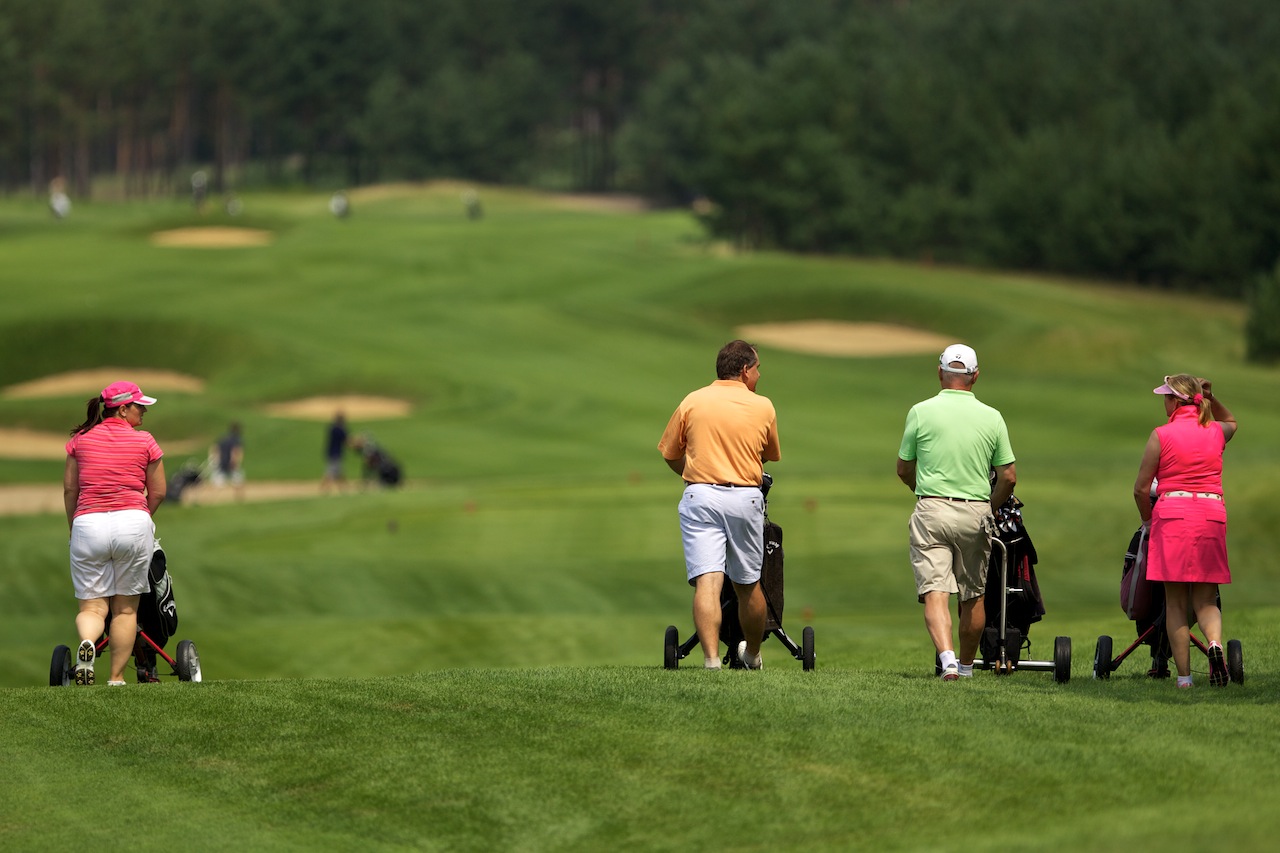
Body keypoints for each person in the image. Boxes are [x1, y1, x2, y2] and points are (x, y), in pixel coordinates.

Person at [658, 340, 781, 670]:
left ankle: (711, 661)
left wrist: (693, 474)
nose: (758, 375)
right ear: (744, 371)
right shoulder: (763, 406)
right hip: (744, 498)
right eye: (757, 369)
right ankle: (752, 655)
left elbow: (670, 453)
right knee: (747, 584)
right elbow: (767, 455)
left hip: (701, 496)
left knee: (707, 581)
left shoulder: (693, 400)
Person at [896, 344, 1017, 681]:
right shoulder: (992, 416)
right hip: (975, 512)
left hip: (931, 508)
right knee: (973, 594)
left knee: (936, 591)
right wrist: (989, 508)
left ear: (939, 372)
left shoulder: (920, 411)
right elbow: (1008, 476)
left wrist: (921, 493)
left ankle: (947, 659)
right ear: (975, 376)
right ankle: (965, 668)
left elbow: (904, 469)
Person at [1133, 374, 1238, 689]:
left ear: (1174, 401)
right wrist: (1211, 396)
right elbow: (1231, 420)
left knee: (1176, 603)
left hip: (1173, 517)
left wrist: (1149, 522)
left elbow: (1140, 489)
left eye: (1165, 397)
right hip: (1211, 514)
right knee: (1206, 599)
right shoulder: (1215, 431)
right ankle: (1215, 644)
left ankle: (1184, 679)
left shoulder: (1161, 434)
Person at [63, 381, 167, 686]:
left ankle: (88, 644)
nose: (144, 412)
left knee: (93, 607)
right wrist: (139, 517)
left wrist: (74, 527)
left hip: (88, 525)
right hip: (132, 523)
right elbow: (159, 492)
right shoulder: (145, 440)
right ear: (122, 409)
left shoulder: (80, 440)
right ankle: (117, 678)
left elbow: (71, 489)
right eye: (139, 406)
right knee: (124, 610)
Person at [210, 422, 244, 499]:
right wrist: (234, 460)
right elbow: (235, 450)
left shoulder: (223, 438)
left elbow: (215, 448)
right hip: (231, 463)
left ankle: (213, 498)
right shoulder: (236, 440)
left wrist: (215, 459)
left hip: (222, 462)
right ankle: (239, 498)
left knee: (219, 482)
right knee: (237, 480)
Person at [322, 411, 348, 493]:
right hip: (336, 453)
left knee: (338, 471)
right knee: (331, 471)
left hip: (331, 452)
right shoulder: (340, 429)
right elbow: (346, 440)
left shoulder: (332, 428)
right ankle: (325, 488)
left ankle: (343, 488)